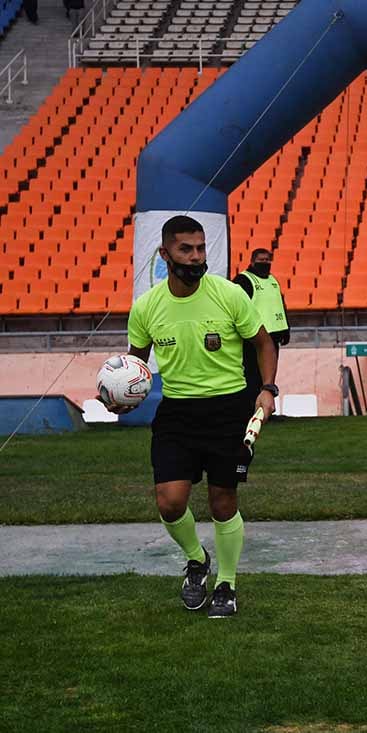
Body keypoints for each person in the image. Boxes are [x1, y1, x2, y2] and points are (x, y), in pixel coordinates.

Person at [109, 215, 278, 618]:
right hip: (177, 412)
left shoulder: (229, 295)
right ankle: (196, 559)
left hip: (229, 409)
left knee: (223, 501)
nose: (196, 256)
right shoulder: (147, 307)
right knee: (169, 502)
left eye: (201, 248)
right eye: (186, 249)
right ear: (165, 253)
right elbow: (137, 367)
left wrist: (267, 389)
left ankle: (227, 584)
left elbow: (263, 342)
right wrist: (122, 396)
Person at [233, 248, 289, 403]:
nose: (265, 263)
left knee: (268, 375)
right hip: (253, 335)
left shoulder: (272, 280)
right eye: (261, 260)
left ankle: (266, 408)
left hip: (273, 334)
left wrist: (285, 329)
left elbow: (280, 305)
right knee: (253, 374)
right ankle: (252, 407)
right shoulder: (243, 280)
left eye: (267, 260)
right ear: (252, 261)